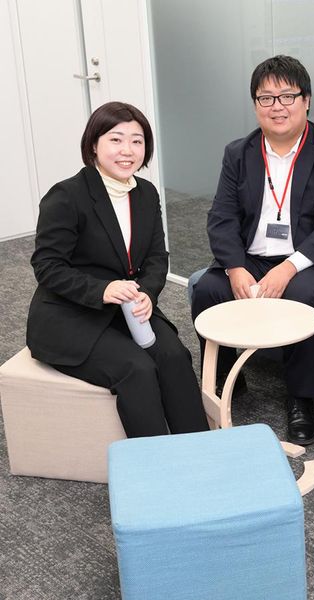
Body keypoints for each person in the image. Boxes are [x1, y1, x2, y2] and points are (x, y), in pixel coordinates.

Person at [191, 55, 314, 446]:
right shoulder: (239, 152)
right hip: (252, 257)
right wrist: (234, 267)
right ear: (255, 105)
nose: (277, 107)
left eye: (287, 96)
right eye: (266, 98)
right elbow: (222, 217)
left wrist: (289, 267)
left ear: (307, 101)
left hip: (309, 259)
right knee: (207, 288)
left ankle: (300, 397)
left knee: (303, 295)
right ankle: (224, 377)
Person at [27, 101, 210, 438]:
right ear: (93, 145)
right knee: (136, 369)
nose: (128, 150)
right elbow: (47, 266)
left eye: (137, 141)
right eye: (116, 139)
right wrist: (103, 289)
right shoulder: (66, 195)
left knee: (174, 356)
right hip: (70, 314)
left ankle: (199, 450)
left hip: (128, 308)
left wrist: (148, 293)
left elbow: (156, 257)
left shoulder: (146, 193)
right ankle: (154, 463)